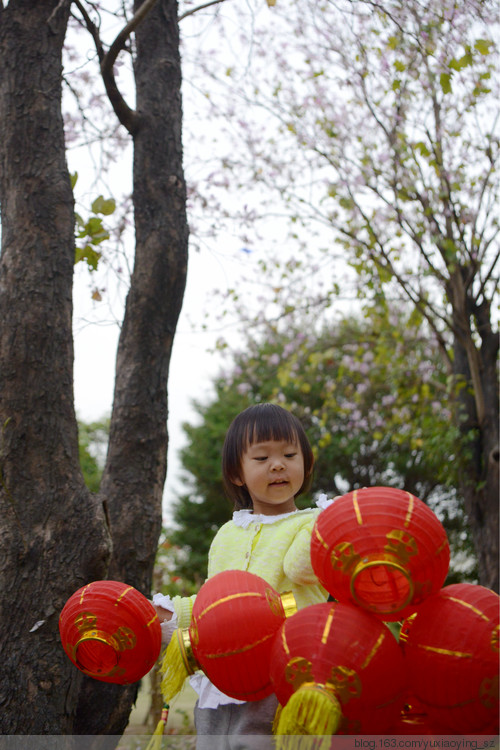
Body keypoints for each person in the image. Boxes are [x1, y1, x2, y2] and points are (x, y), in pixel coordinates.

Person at [153, 403, 331, 749]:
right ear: (237, 473)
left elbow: (301, 568)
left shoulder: (313, 524)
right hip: (221, 673)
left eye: (289, 454)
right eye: (262, 458)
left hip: (280, 674)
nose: (278, 464)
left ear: (306, 464)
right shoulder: (227, 534)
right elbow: (212, 602)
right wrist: (167, 615)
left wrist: (328, 521)